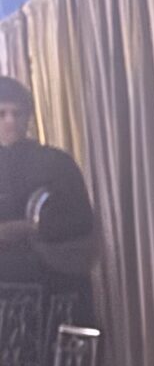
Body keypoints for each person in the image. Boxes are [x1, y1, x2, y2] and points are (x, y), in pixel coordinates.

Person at [0, 73, 98, 289]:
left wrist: (28, 228)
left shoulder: (56, 163)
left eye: (17, 113)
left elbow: (81, 222)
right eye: (2, 113)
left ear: (28, 116)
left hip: (52, 281)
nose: (10, 121)